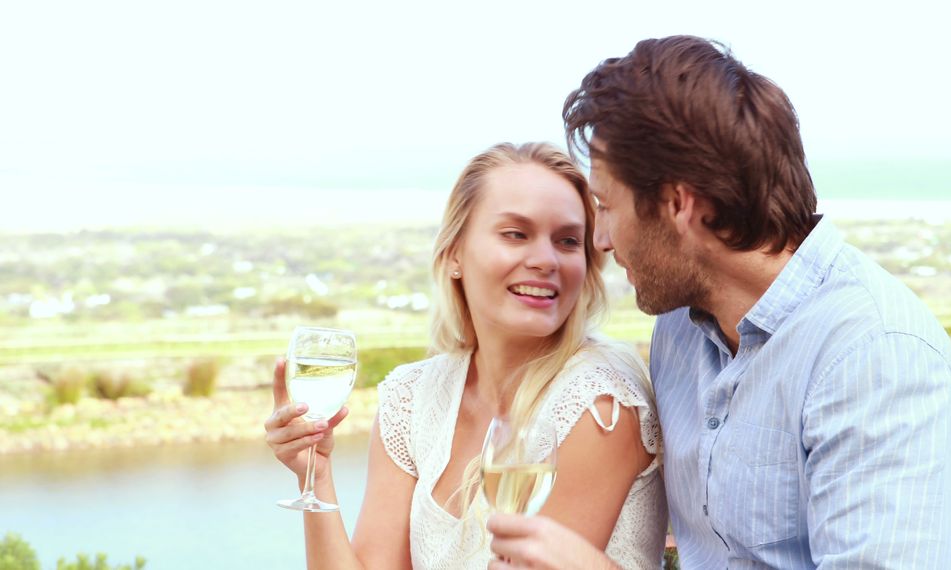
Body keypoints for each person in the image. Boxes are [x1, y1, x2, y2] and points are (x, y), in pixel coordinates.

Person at [488, 36, 951, 569]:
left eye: (608, 207)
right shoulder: (680, 328)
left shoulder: (875, 359)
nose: (602, 241)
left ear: (678, 205)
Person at [264, 142, 668, 569]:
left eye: (568, 241)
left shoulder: (600, 402)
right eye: (516, 234)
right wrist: (317, 473)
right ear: (455, 251)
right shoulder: (412, 397)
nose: (546, 259)